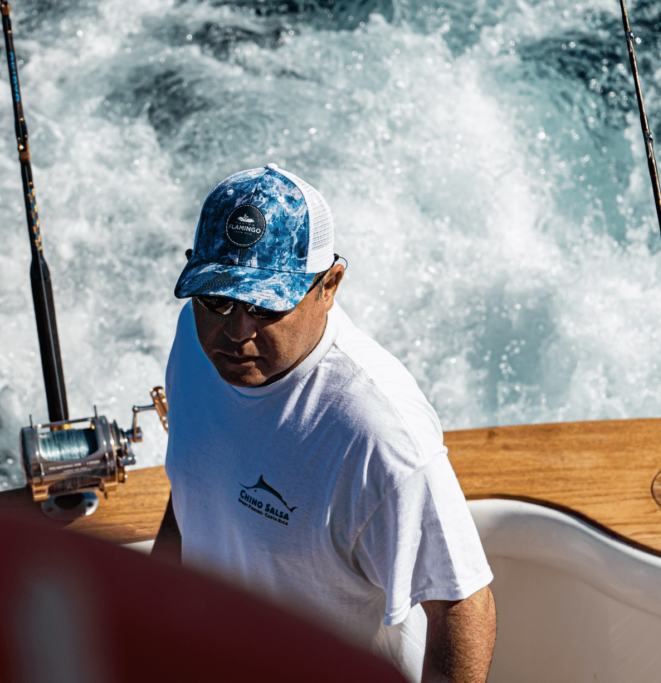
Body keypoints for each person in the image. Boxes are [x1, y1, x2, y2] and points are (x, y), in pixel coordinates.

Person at [152, 164, 496, 683]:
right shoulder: (196, 339)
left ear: (329, 285)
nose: (236, 331)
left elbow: (464, 606)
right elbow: (193, 489)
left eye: (265, 306)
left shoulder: (380, 434)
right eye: (217, 297)